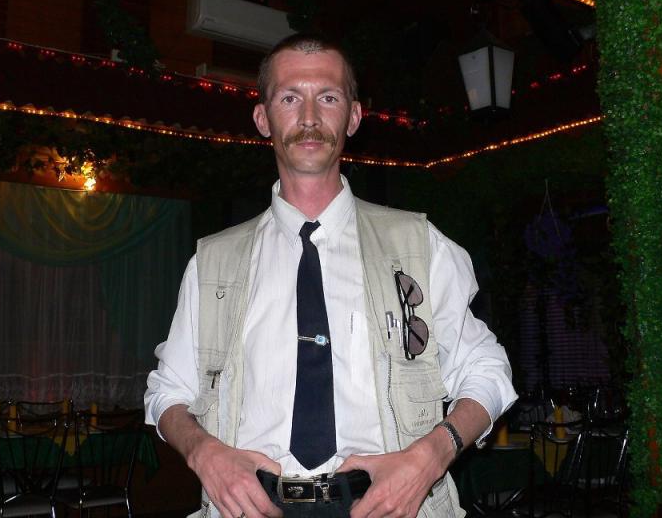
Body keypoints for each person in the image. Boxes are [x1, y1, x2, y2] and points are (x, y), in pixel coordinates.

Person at [145, 34, 517, 518]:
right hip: (249, 507)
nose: (309, 117)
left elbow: (487, 371)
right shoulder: (213, 263)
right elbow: (168, 392)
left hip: (390, 506)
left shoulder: (419, 246)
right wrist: (204, 453)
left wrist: (430, 456)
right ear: (263, 118)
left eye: (328, 97)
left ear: (354, 117)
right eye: (289, 98)